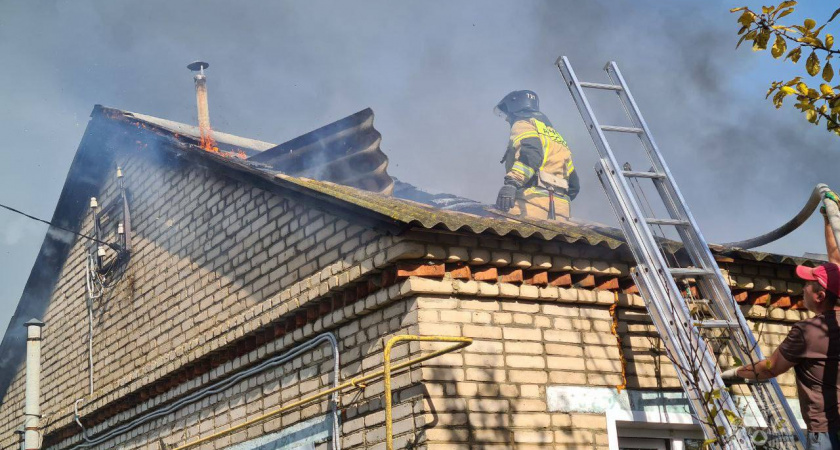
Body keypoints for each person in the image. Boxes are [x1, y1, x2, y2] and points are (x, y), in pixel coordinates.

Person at [721, 191, 840, 449]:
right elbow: (836, 261)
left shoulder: (810, 331)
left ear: (819, 296)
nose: (802, 289)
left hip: (828, 434)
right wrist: (829, 220)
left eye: (807, 285)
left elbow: (770, 368)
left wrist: (733, 373)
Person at [493, 90, 579, 220]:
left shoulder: (523, 124)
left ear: (514, 109)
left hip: (530, 204)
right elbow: (574, 185)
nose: (507, 119)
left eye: (507, 114)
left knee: (496, 227)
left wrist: (512, 183)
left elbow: (531, 154)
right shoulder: (557, 137)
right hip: (561, 212)